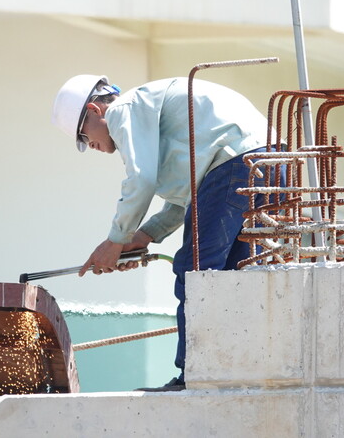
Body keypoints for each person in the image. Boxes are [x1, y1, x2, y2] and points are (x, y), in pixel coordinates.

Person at [51, 74, 275, 391]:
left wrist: (115, 241)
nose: (93, 147)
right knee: (236, 277)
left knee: (195, 271)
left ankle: (195, 376)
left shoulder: (123, 110)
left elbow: (141, 181)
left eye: (85, 137)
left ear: (94, 110)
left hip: (237, 161)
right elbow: (192, 196)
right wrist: (143, 236)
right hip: (270, 159)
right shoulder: (152, 117)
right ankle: (237, 373)